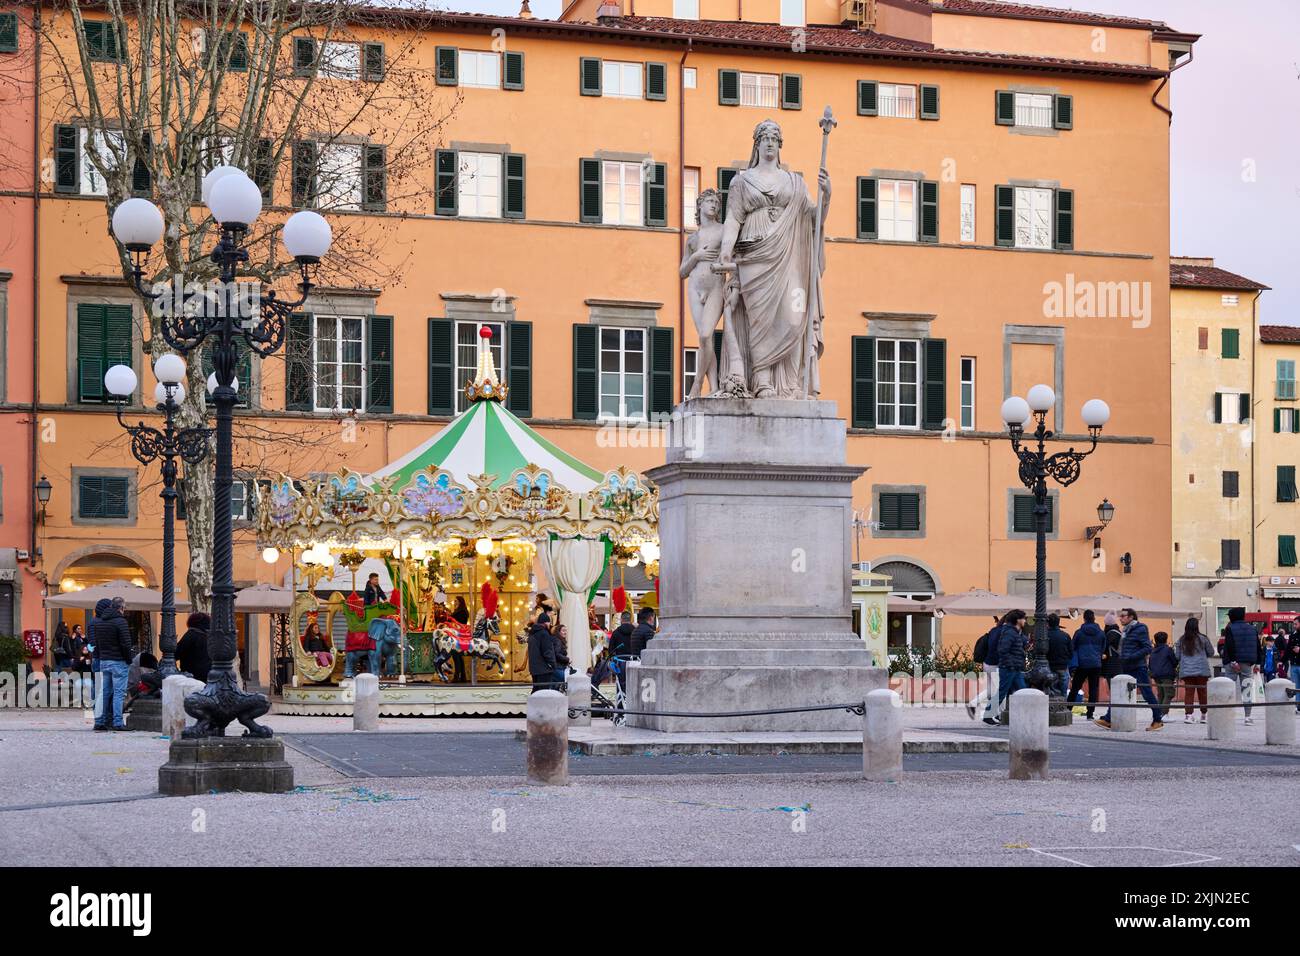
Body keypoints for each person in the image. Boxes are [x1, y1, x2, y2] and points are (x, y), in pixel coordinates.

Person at [1096, 608, 1163, 731]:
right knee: (1119, 693)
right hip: (1126, 666)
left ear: (1131, 617)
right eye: (1120, 616)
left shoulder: (1140, 629)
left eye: (1123, 616)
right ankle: (1108, 719)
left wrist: (1131, 657)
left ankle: (1158, 720)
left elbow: (1147, 648)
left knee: (1147, 693)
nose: (1120, 618)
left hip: (1138, 667)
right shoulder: (1126, 630)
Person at [90, 597, 133, 732]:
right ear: (120, 608)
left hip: (104, 661)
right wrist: (128, 659)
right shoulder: (121, 622)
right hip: (118, 661)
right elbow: (126, 644)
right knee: (119, 693)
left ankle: (99, 721)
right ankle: (118, 722)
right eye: (124, 608)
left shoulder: (99, 622)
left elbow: (97, 643)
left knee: (104, 692)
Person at [1220, 606, 1261, 724]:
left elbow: (1230, 645)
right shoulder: (1252, 629)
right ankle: (1247, 717)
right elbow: (1258, 647)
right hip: (1248, 663)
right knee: (1247, 690)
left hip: (1232, 664)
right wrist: (1258, 663)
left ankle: (1227, 716)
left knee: (1228, 689)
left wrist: (1233, 661)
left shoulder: (1230, 628)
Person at [1175, 617, 1215, 723]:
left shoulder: (1181, 639)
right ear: (1197, 626)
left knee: (1189, 693)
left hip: (1187, 670)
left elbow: (1177, 656)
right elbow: (1211, 652)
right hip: (1202, 670)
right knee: (1203, 692)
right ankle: (1204, 715)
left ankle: (1188, 715)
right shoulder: (1203, 638)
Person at [1068, 610, 1105, 719]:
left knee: (1075, 688)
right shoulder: (1101, 633)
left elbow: (1072, 647)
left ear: (1084, 619)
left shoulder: (1079, 632)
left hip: (1082, 664)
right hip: (1096, 664)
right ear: (1094, 618)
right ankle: (1090, 714)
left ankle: (1068, 709)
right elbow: (1103, 647)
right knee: (1093, 689)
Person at [995, 610, 1028, 713]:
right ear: (1018, 620)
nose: (1025, 621)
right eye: (1023, 618)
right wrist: (1011, 664)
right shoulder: (1009, 632)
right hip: (1009, 668)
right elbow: (1003, 650)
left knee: (1024, 691)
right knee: (1002, 692)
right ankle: (988, 714)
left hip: (1015, 668)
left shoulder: (1014, 632)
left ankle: (1025, 713)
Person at [176, 612, 212, 683]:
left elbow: (176, 653)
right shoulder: (210, 637)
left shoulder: (191, 635)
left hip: (192, 677)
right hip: (209, 676)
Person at [527, 616, 559, 694]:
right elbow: (547, 652)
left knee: (536, 690)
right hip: (544, 669)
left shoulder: (532, 634)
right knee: (544, 692)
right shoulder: (544, 634)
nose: (550, 624)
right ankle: (541, 706)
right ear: (545, 623)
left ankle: (533, 705)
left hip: (534, 668)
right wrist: (553, 665)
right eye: (549, 622)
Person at [1149, 631, 1177, 714]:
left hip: (1156, 675)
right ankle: (1164, 714)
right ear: (1165, 640)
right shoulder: (1168, 649)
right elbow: (1174, 662)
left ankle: (1158, 713)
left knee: (1161, 694)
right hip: (1166, 675)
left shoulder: (1153, 650)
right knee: (1169, 693)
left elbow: (1150, 663)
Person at [1046, 613, 1072, 697]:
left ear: (1048, 623)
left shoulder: (1045, 636)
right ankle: (1062, 706)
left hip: (1049, 666)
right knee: (1063, 691)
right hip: (1062, 666)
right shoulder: (1065, 635)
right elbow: (1071, 652)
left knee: (1050, 690)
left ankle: (1051, 707)